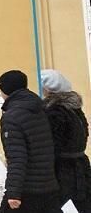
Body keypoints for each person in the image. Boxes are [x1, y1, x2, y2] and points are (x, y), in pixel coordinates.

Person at [0, 69, 58, 213]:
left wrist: (13, 192)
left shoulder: (12, 117)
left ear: (7, 91)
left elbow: (17, 157)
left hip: (27, 188)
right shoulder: (38, 107)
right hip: (47, 184)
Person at [41, 69, 91, 212]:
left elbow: (52, 142)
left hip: (63, 169)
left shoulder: (54, 112)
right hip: (80, 165)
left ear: (48, 89)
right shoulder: (74, 108)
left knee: (49, 206)